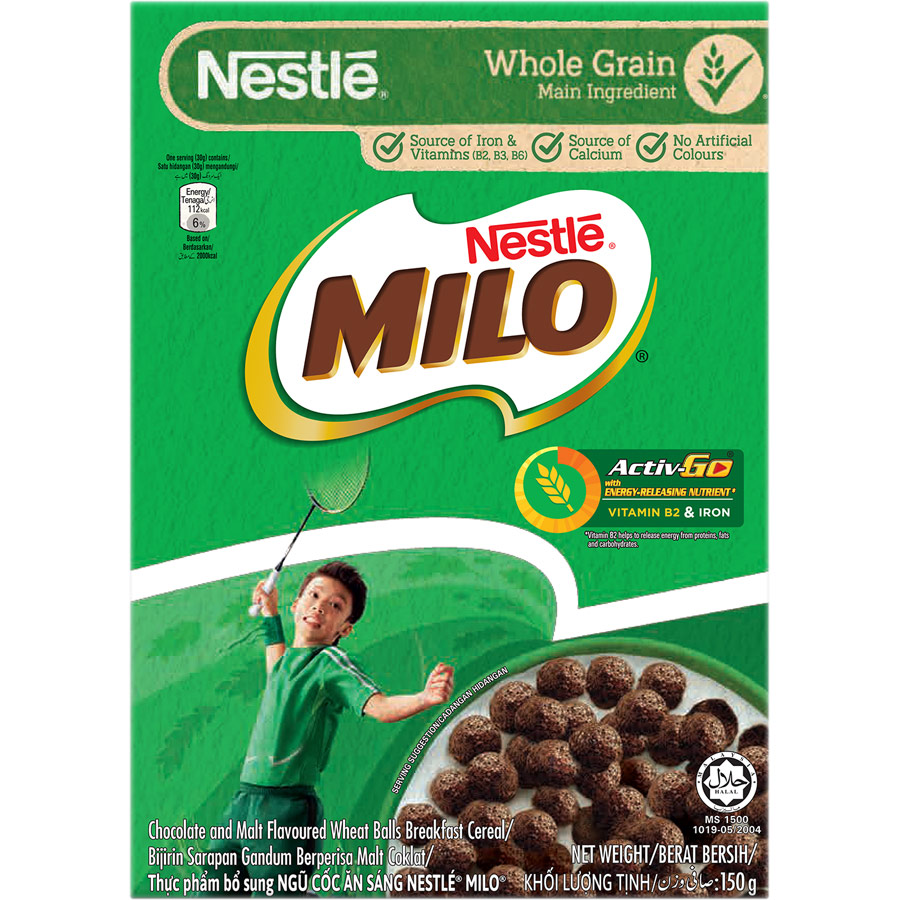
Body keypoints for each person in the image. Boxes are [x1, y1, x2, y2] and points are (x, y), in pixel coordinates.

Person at [205, 561, 454, 895]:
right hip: (243, 801)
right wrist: (269, 612)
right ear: (296, 605)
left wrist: (424, 698)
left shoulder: (330, 664)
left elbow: (380, 707)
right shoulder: (284, 663)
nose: (320, 606)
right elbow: (276, 666)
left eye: (335, 605)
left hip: (287, 809)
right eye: (314, 596)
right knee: (214, 888)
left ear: (345, 629)